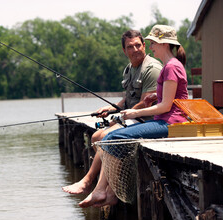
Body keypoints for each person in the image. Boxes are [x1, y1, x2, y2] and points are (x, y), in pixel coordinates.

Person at [79, 24, 188, 208]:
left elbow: (165, 107)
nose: (150, 47)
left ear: (163, 44)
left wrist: (135, 112)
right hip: (165, 120)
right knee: (111, 137)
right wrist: (155, 96)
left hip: (170, 123)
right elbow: (169, 99)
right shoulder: (170, 66)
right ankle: (103, 191)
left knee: (115, 137)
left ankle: (103, 192)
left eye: (152, 43)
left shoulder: (170, 67)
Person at [62, 29, 162, 195]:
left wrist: (118, 117)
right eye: (130, 47)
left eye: (138, 45)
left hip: (146, 119)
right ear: (124, 51)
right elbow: (128, 100)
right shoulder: (129, 69)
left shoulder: (151, 69)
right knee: (95, 137)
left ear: (144, 46)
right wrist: (110, 109)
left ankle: (90, 183)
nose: (135, 49)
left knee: (104, 138)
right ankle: (111, 188)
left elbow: (144, 105)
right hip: (132, 117)